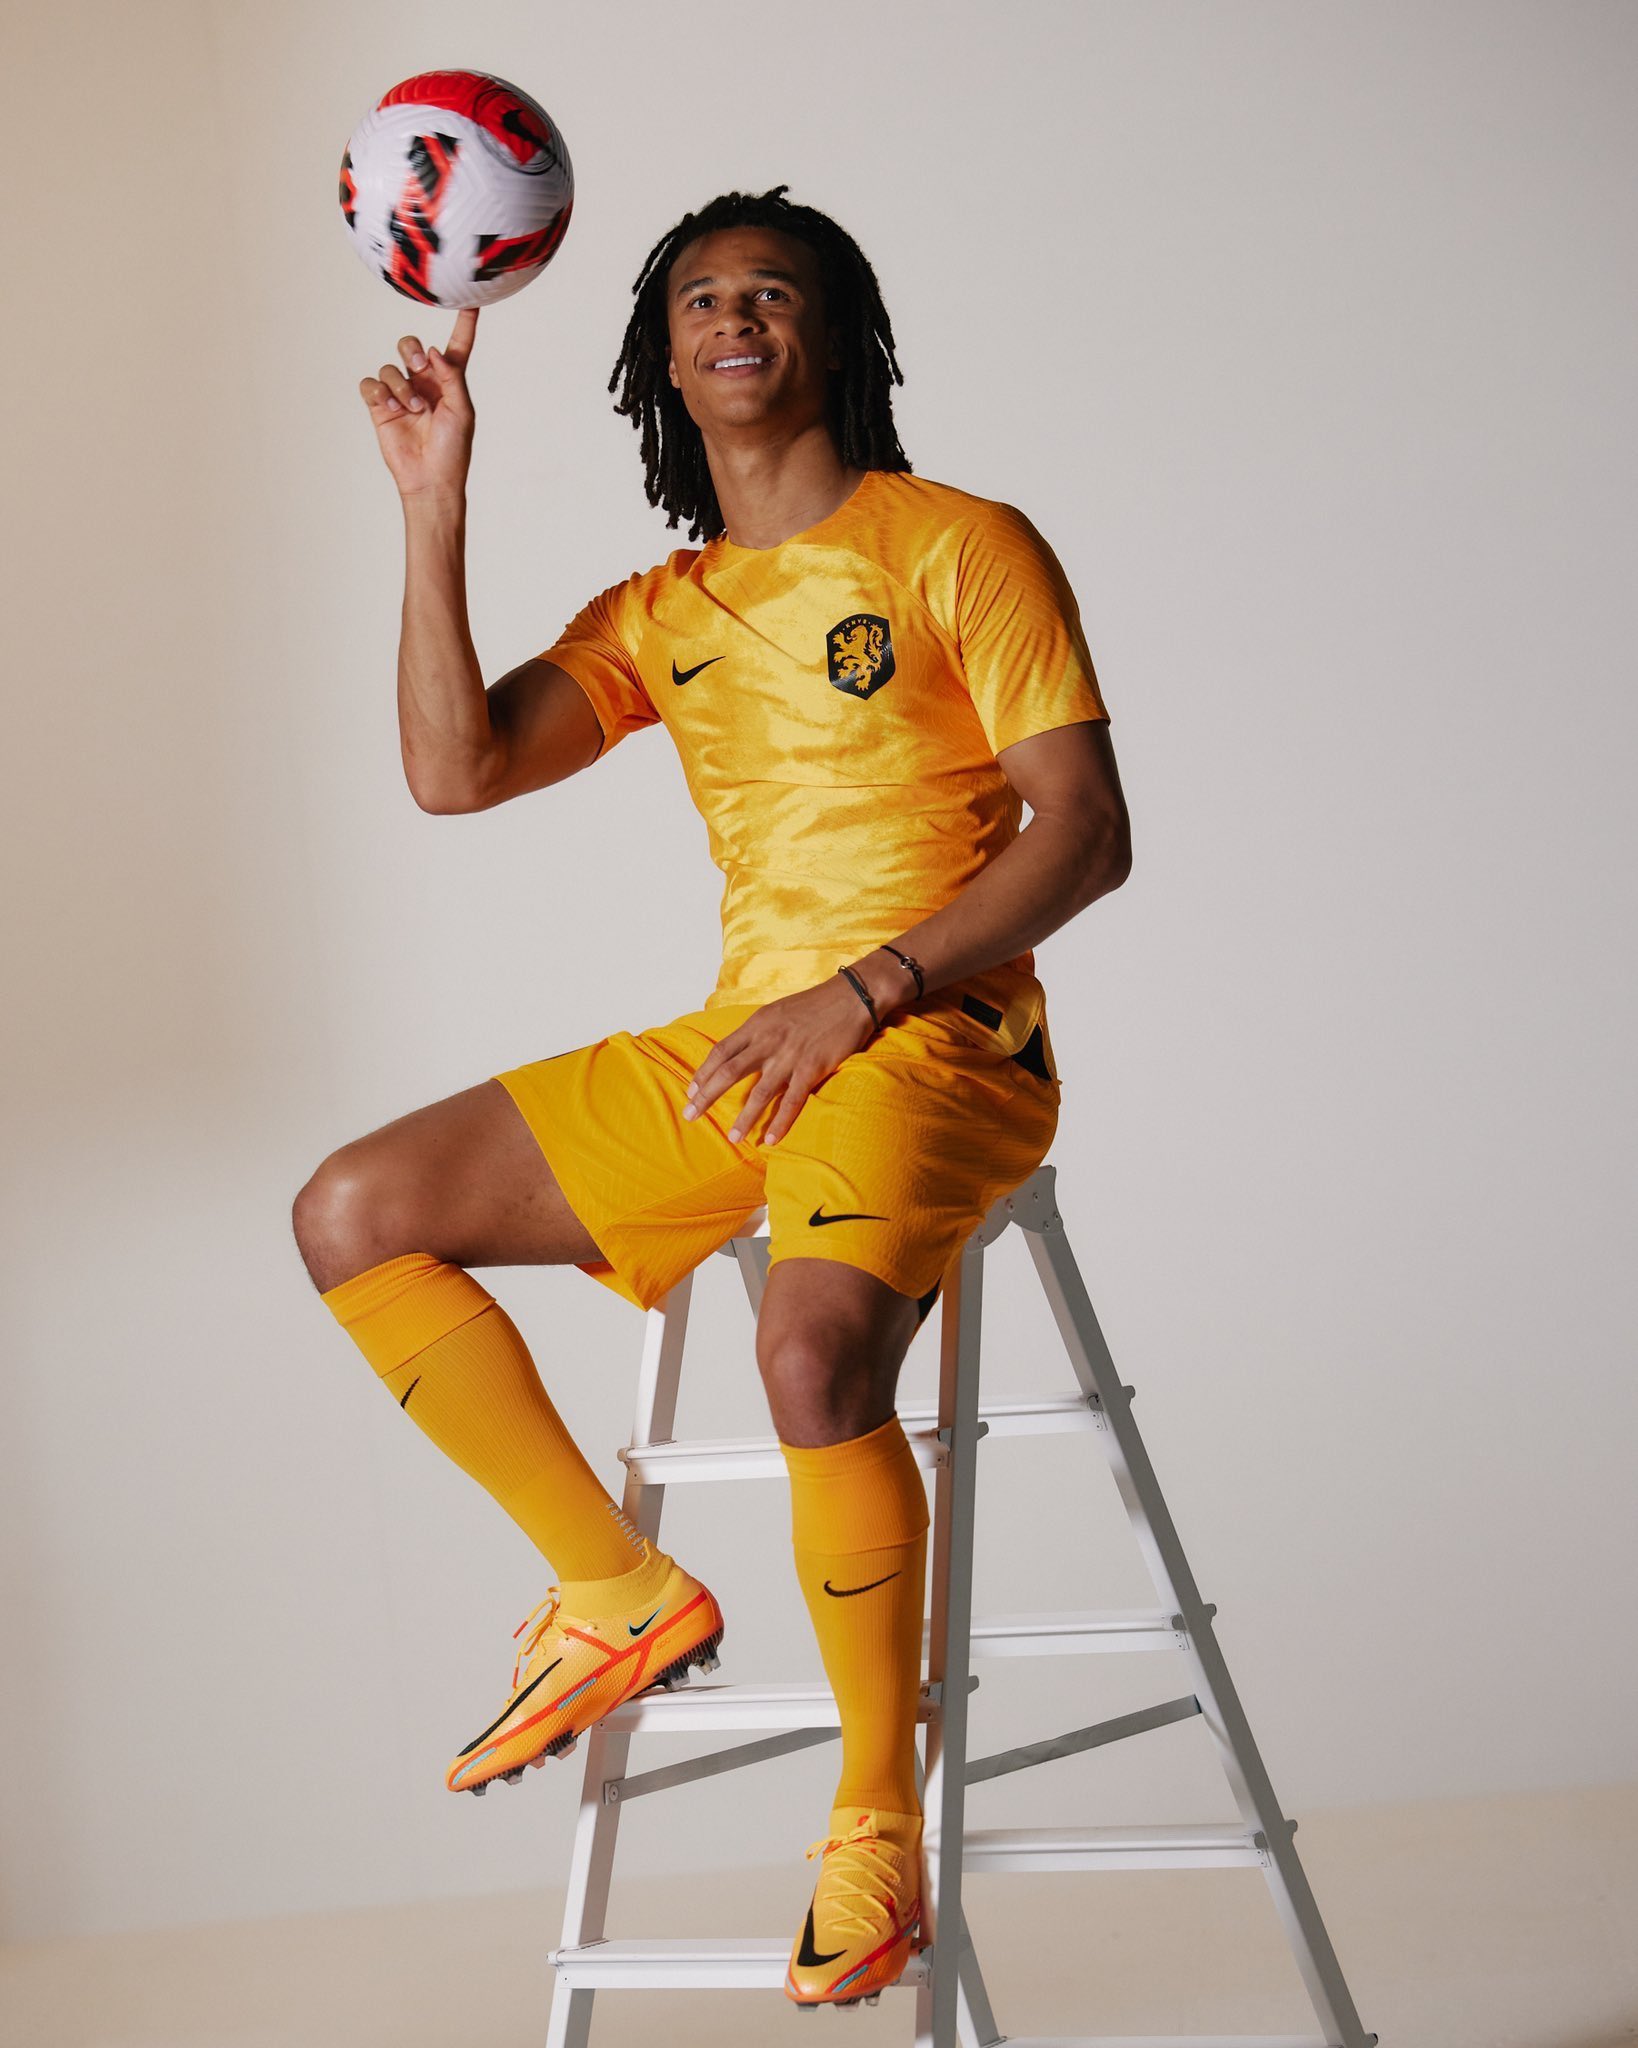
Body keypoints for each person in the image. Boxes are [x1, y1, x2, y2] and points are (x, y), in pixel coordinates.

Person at [294, 182, 1131, 2009]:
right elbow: (453, 771)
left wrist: (866, 989)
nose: (732, 317)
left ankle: (873, 1822)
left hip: (935, 1034)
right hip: (753, 1041)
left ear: (839, 335)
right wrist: (432, 502)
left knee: (806, 1356)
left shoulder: (959, 543)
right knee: (354, 1210)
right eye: (696, 301)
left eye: (772, 291)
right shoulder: (661, 608)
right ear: (660, 363)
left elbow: (1085, 833)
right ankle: (615, 1592)